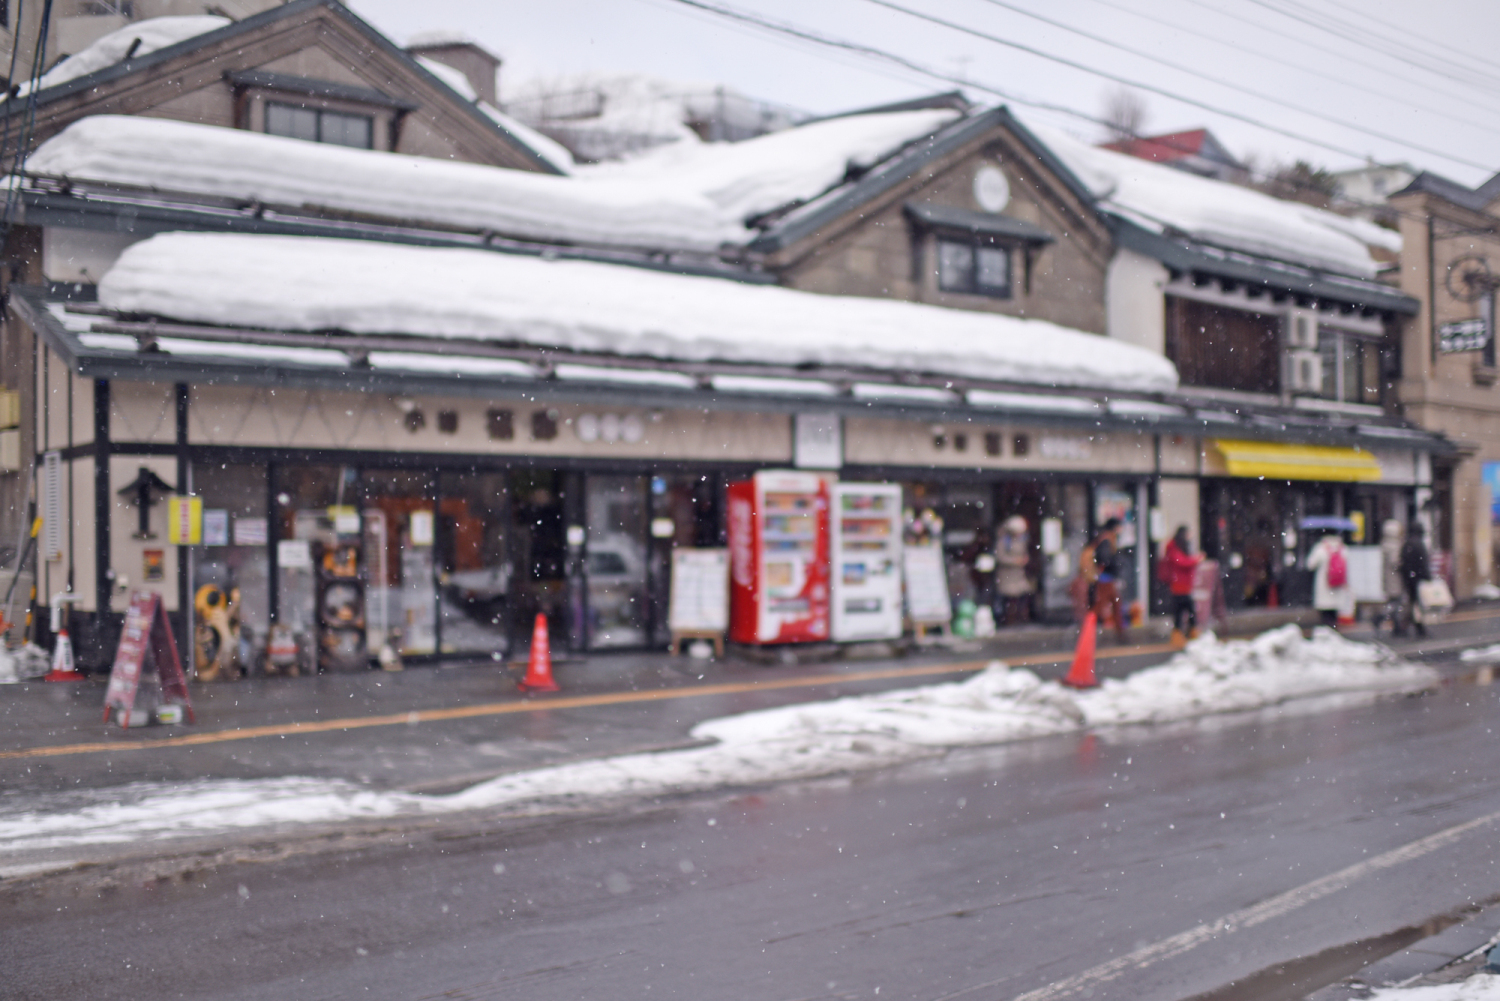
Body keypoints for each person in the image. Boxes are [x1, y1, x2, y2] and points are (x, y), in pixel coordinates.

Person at [1160, 525, 1203, 648]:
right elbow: (1181, 562)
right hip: (1178, 585)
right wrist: (1196, 560)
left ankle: (1183, 634)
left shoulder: (1177, 546)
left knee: (1183, 611)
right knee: (1185, 609)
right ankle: (1186, 633)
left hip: (1183, 585)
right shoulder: (1174, 547)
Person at [1306, 530, 1353, 627]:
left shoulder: (1320, 548)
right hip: (1338, 586)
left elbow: (1310, 565)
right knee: (1334, 612)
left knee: (1325, 613)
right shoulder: (1344, 548)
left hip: (1324, 586)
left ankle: (1326, 630)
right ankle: (1333, 629)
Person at [994, 515, 1034, 626]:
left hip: (1019, 575)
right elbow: (1000, 557)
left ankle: (1021, 618)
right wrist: (1015, 561)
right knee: (1010, 599)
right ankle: (1009, 620)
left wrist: (1024, 559)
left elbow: (1024, 552)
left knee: (1023, 596)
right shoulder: (1004, 541)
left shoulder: (1022, 540)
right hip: (1007, 576)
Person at [1091, 518, 1126, 642]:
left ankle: (1120, 632)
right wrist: (1113, 566)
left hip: (1106, 577)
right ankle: (1089, 629)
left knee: (1114, 604)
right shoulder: (1107, 539)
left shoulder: (1106, 538)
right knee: (1106, 604)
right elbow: (1105, 558)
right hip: (1106, 578)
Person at [1400, 522, 1432, 638]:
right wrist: (1428, 577)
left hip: (1408, 578)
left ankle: (1406, 625)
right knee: (1417, 603)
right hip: (1418, 579)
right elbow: (1423, 563)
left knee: (1412, 602)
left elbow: (1403, 562)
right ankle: (1418, 627)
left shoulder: (1407, 543)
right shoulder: (1419, 544)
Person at [1377, 519, 1406, 636]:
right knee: (1396, 603)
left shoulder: (1385, 543)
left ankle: (1395, 626)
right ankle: (1394, 626)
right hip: (1395, 579)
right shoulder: (1394, 545)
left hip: (1389, 579)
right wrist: (1404, 563)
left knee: (1393, 603)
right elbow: (1395, 563)